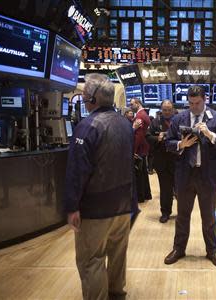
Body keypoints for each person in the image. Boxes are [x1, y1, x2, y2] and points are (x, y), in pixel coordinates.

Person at [64, 73, 134, 300]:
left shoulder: (86, 127)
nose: (82, 98)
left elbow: (77, 172)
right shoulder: (125, 123)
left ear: (92, 99)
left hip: (95, 210)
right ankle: (116, 294)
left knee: (91, 260)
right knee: (117, 255)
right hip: (123, 206)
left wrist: (72, 206)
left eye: (84, 94)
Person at [164, 85, 216, 268]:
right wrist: (181, 144)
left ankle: (212, 251)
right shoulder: (179, 118)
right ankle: (179, 249)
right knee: (182, 216)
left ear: (205, 100)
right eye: (191, 102)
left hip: (207, 176)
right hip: (185, 175)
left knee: (209, 217)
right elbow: (168, 143)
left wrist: (210, 135)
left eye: (198, 103)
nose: (194, 106)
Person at [146, 100, 176, 223]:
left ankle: (184, 213)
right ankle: (165, 212)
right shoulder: (155, 122)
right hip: (162, 161)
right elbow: (147, 137)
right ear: (161, 109)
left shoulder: (179, 120)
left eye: (169, 109)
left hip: (178, 160)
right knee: (165, 189)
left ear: (173, 109)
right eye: (165, 109)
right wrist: (157, 138)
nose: (167, 112)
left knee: (182, 189)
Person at [130, 98, 152, 203]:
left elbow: (138, 136)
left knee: (139, 174)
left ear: (138, 103)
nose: (130, 106)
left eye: (132, 104)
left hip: (139, 149)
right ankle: (146, 195)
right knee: (143, 173)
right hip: (143, 148)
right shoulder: (144, 114)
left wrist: (132, 151)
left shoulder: (139, 116)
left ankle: (141, 197)